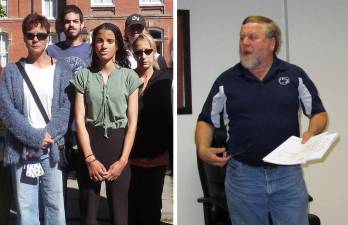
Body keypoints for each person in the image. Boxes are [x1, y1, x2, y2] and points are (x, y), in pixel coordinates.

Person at [195, 15, 328, 225]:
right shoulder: (226, 80)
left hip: (287, 175)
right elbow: (206, 120)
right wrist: (203, 148)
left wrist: (313, 131)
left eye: (252, 37)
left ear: (271, 42)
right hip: (244, 177)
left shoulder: (294, 75)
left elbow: (319, 113)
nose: (244, 43)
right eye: (241, 37)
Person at [0, 13, 72, 225]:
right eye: (30, 35)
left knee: (55, 206)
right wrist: (34, 138)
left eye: (41, 35)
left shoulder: (62, 69)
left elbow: (66, 108)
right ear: (24, 37)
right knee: (26, 208)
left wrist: (47, 136)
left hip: (52, 149)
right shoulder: (12, 72)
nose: (35, 39)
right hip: (23, 150)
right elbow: (7, 111)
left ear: (48, 37)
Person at [71, 23, 142, 225]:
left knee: (120, 217)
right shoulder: (83, 76)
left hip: (119, 145)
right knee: (89, 216)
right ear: (94, 45)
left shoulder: (129, 77)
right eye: (100, 40)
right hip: (90, 145)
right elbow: (79, 120)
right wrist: (90, 159)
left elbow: (133, 123)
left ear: (118, 45)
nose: (104, 45)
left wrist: (122, 161)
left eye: (110, 41)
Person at [128, 33, 173, 225]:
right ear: (133, 53)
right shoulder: (127, 78)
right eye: (138, 52)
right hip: (131, 157)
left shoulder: (166, 79)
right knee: (132, 209)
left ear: (155, 52)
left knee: (152, 210)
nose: (143, 56)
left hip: (157, 157)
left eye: (147, 51)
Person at [47, 4, 91, 74]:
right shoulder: (51, 51)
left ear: (82, 24)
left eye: (75, 21)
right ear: (62, 25)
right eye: (67, 22)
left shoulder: (92, 51)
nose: (71, 25)